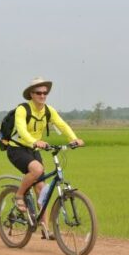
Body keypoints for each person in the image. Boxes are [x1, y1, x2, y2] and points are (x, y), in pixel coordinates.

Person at [5, 77, 84, 236]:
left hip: (34, 148)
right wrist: (35, 141)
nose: (42, 96)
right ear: (31, 95)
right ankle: (19, 195)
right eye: (38, 93)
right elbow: (21, 130)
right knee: (37, 169)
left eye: (45, 93)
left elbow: (62, 124)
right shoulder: (23, 109)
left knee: (42, 190)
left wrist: (73, 139)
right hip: (17, 148)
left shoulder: (48, 110)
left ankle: (46, 230)